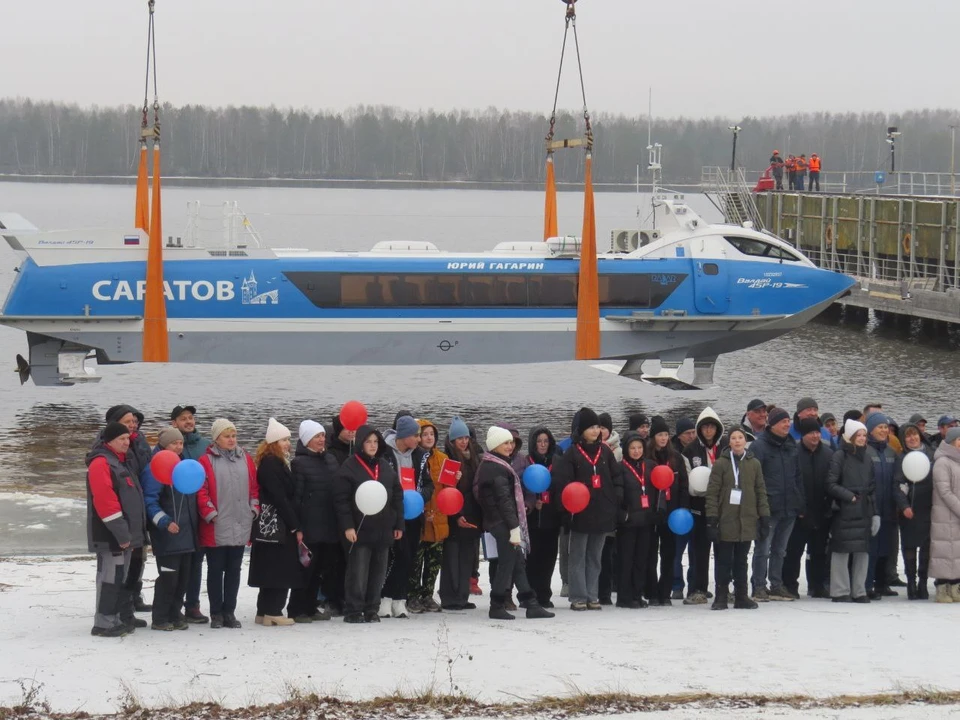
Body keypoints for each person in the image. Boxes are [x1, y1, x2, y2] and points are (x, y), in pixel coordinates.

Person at [476, 426, 555, 620]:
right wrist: (513, 527)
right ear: (495, 445)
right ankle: (496, 604)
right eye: (505, 443)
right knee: (507, 562)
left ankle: (530, 603)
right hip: (501, 522)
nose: (510, 446)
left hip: (502, 521)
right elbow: (504, 501)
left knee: (517, 561)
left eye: (511, 442)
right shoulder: (495, 468)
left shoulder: (498, 463)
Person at [553, 407, 624, 611]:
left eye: (597, 427)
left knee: (595, 556)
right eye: (591, 427)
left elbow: (616, 476)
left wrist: (616, 498)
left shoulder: (605, 452)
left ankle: (592, 595)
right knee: (577, 556)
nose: (596, 431)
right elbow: (562, 483)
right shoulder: (572, 453)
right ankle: (578, 596)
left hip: (602, 512)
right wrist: (565, 512)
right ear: (581, 430)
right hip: (580, 514)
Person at [333, 424, 404, 623]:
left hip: (383, 529)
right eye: (368, 442)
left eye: (375, 442)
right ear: (361, 444)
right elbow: (341, 500)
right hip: (359, 528)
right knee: (358, 571)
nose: (372, 446)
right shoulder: (349, 466)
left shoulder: (385, 466)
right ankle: (354, 610)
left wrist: (398, 524)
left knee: (378, 572)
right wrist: (347, 526)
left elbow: (397, 495)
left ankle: (372, 608)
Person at [86, 421, 148, 637]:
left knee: (120, 577)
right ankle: (103, 622)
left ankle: (117, 617)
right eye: (121, 439)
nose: (126, 442)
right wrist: (122, 533)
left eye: (127, 438)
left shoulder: (122, 462)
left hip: (126, 535)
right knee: (110, 578)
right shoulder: (101, 463)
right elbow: (105, 502)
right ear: (109, 441)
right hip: (110, 535)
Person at [197, 418, 259, 629]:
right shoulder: (205, 461)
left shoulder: (246, 459)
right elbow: (201, 491)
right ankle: (216, 613)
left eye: (233, 435)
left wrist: (254, 508)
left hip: (241, 522)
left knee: (234, 570)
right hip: (217, 525)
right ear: (216, 439)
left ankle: (229, 612)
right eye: (227, 436)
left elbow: (254, 487)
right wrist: (211, 514)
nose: (231, 439)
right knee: (215, 569)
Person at [706, 428, 769, 610]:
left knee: (741, 560)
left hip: (747, 520)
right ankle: (721, 596)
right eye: (733, 438)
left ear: (745, 441)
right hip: (726, 519)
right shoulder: (721, 464)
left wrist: (764, 516)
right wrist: (711, 519)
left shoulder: (754, 464)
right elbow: (712, 493)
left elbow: (760, 491)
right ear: (729, 442)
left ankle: (741, 595)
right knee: (724, 560)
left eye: (740, 437)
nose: (737, 441)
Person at [142, 427, 198, 631]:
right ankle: (160, 617)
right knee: (168, 577)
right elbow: (150, 501)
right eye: (175, 443)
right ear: (165, 445)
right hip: (167, 534)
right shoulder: (155, 468)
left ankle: (175, 613)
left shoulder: (182, 466)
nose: (179, 446)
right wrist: (164, 521)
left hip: (186, 533)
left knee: (183, 578)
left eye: (181, 443)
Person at [248, 419, 302, 627]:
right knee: (280, 567)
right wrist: (295, 524)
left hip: (270, 525)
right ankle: (273, 610)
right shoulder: (272, 464)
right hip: (276, 524)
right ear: (273, 442)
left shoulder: (273, 462)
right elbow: (280, 498)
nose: (288, 443)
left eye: (288, 439)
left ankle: (264, 610)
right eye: (284, 440)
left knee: (269, 566)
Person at [101, 405, 153, 615]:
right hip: (123, 512)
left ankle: (134, 597)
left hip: (139, 505)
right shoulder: (106, 449)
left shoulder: (138, 441)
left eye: (134, 422)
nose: (133, 426)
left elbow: (148, 467)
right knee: (122, 562)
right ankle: (121, 608)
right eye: (127, 422)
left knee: (139, 557)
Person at [749, 407, 805, 601]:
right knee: (762, 549)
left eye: (789, 421)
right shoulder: (759, 446)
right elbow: (753, 479)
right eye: (783, 421)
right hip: (768, 508)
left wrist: (800, 502)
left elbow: (798, 476)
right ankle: (758, 586)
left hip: (789, 507)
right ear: (772, 424)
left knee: (780, 550)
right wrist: (758, 507)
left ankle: (776, 585)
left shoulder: (791, 445)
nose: (788, 424)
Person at [289, 420, 343, 621]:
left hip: (329, 524)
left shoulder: (330, 460)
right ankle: (296, 608)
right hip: (309, 526)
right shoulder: (299, 463)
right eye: (316, 437)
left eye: (322, 436)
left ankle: (311, 605)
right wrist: (298, 528)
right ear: (306, 440)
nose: (321, 440)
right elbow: (297, 498)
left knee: (322, 568)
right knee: (306, 569)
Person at [380, 414, 430, 618]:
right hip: (391, 512)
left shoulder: (419, 456)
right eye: (416, 435)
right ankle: (385, 598)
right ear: (404, 436)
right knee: (393, 556)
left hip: (413, 512)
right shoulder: (385, 454)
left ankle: (400, 598)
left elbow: (429, 483)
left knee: (408, 557)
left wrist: (419, 496)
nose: (419, 439)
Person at [826, 420, 878, 603]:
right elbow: (831, 484)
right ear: (850, 437)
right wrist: (849, 496)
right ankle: (840, 591)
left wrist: (875, 513)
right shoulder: (839, 456)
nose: (862, 438)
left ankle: (859, 590)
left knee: (862, 551)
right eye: (859, 435)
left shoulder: (868, 458)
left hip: (864, 509)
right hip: (844, 510)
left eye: (864, 435)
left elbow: (872, 488)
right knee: (841, 550)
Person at [783, 418, 834, 599]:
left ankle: (817, 585)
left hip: (821, 510)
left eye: (818, 432)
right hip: (800, 513)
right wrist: (799, 508)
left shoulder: (828, 454)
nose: (815, 436)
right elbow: (791, 483)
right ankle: (789, 585)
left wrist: (829, 506)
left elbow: (832, 481)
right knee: (793, 551)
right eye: (811, 433)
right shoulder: (793, 453)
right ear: (803, 435)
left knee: (818, 551)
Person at [681, 407, 727, 605]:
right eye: (705, 427)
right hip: (699, 505)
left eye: (712, 427)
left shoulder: (725, 448)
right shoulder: (691, 450)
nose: (709, 431)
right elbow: (686, 477)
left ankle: (723, 587)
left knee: (723, 550)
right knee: (699, 550)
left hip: (722, 506)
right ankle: (696, 588)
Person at [171, 405, 212, 625]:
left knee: (197, 560)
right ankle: (173, 605)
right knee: (178, 561)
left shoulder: (205, 445)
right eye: (183, 419)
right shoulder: (168, 448)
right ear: (174, 423)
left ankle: (193, 605)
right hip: (178, 512)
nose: (188, 422)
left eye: (190, 418)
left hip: (201, 511)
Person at [438, 416, 483, 610]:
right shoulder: (448, 460)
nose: (464, 442)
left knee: (467, 557)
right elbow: (447, 491)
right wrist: (457, 515)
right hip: (455, 515)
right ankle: (450, 597)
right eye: (460, 438)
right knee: (451, 558)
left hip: (472, 515)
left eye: (466, 437)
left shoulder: (475, 458)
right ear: (452, 441)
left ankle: (463, 596)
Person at [645, 417, 689, 605]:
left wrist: (682, 508)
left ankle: (666, 591)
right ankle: (652, 591)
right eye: (659, 435)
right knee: (651, 553)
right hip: (653, 512)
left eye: (665, 435)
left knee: (669, 554)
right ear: (653, 437)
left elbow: (683, 486)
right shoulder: (647, 459)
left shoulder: (676, 457)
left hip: (673, 513)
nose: (663, 438)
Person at [408, 418, 449, 614]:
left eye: (432, 434)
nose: (429, 437)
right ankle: (413, 595)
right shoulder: (414, 457)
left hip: (439, 517)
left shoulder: (443, 458)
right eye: (425, 434)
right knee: (416, 560)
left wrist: (456, 479)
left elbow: (449, 491)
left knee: (434, 561)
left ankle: (427, 594)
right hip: (420, 515)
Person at [863, 412, 904, 600]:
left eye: (886, 427)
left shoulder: (890, 452)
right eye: (880, 427)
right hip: (872, 507)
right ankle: (867, 583)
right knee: (871, 547)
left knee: (885, 547)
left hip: (889, 507)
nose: (884, 430)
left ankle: (882, 583)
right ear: (871, 430)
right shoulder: (865, 451)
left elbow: (897, 480)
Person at [524, 425, 562, 608]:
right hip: (531, 518)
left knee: (548, 558)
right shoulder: (526, 462)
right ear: (533, 443)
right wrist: (533, 501)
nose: (542, 444)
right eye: (539, 441)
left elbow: (561, 488)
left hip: (551, 518)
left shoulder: (557, 461)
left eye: (546, 441)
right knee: (532, 559)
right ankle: (529, 595)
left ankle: (544, 594)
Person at [617, 432, 656, 608]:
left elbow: (659, 489)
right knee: (626, 559)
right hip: (628, 521)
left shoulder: (650, 466)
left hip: (646, 520)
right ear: (626, 449)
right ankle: (625, 596)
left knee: (642, 559)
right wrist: (622, 515)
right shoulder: (620, 467)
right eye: (632, 448)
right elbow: (616, 495)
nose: (636, 451)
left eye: (639, 447)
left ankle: (638, 593)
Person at [897, 421, 934, 600]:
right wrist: (904, 506)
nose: (912, 438)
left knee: (926, 547)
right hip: (909, 510)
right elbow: (897, 486)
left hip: (928, 508)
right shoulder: (901, 458)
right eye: (908, 435)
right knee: (909, 546)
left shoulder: (931, 455)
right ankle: (911, 582)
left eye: (914, 434)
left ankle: (923, 582)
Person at [929, 426, 960, 602]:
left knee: (956, 552)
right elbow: (945, 491)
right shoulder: (942, 462)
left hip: (956, 514)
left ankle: (955, 587)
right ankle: (942, 588)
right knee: (944, 550)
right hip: (945, 515)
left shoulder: (957, 461)